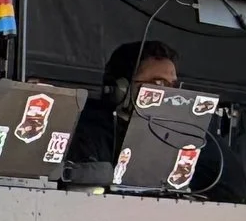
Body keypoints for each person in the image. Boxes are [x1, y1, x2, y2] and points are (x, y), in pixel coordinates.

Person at [68, 38, 181, 169]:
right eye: (158, 83)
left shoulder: (174, 134)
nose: (169, 93)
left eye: (172, 85)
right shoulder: (85, 131)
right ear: (122, 88)